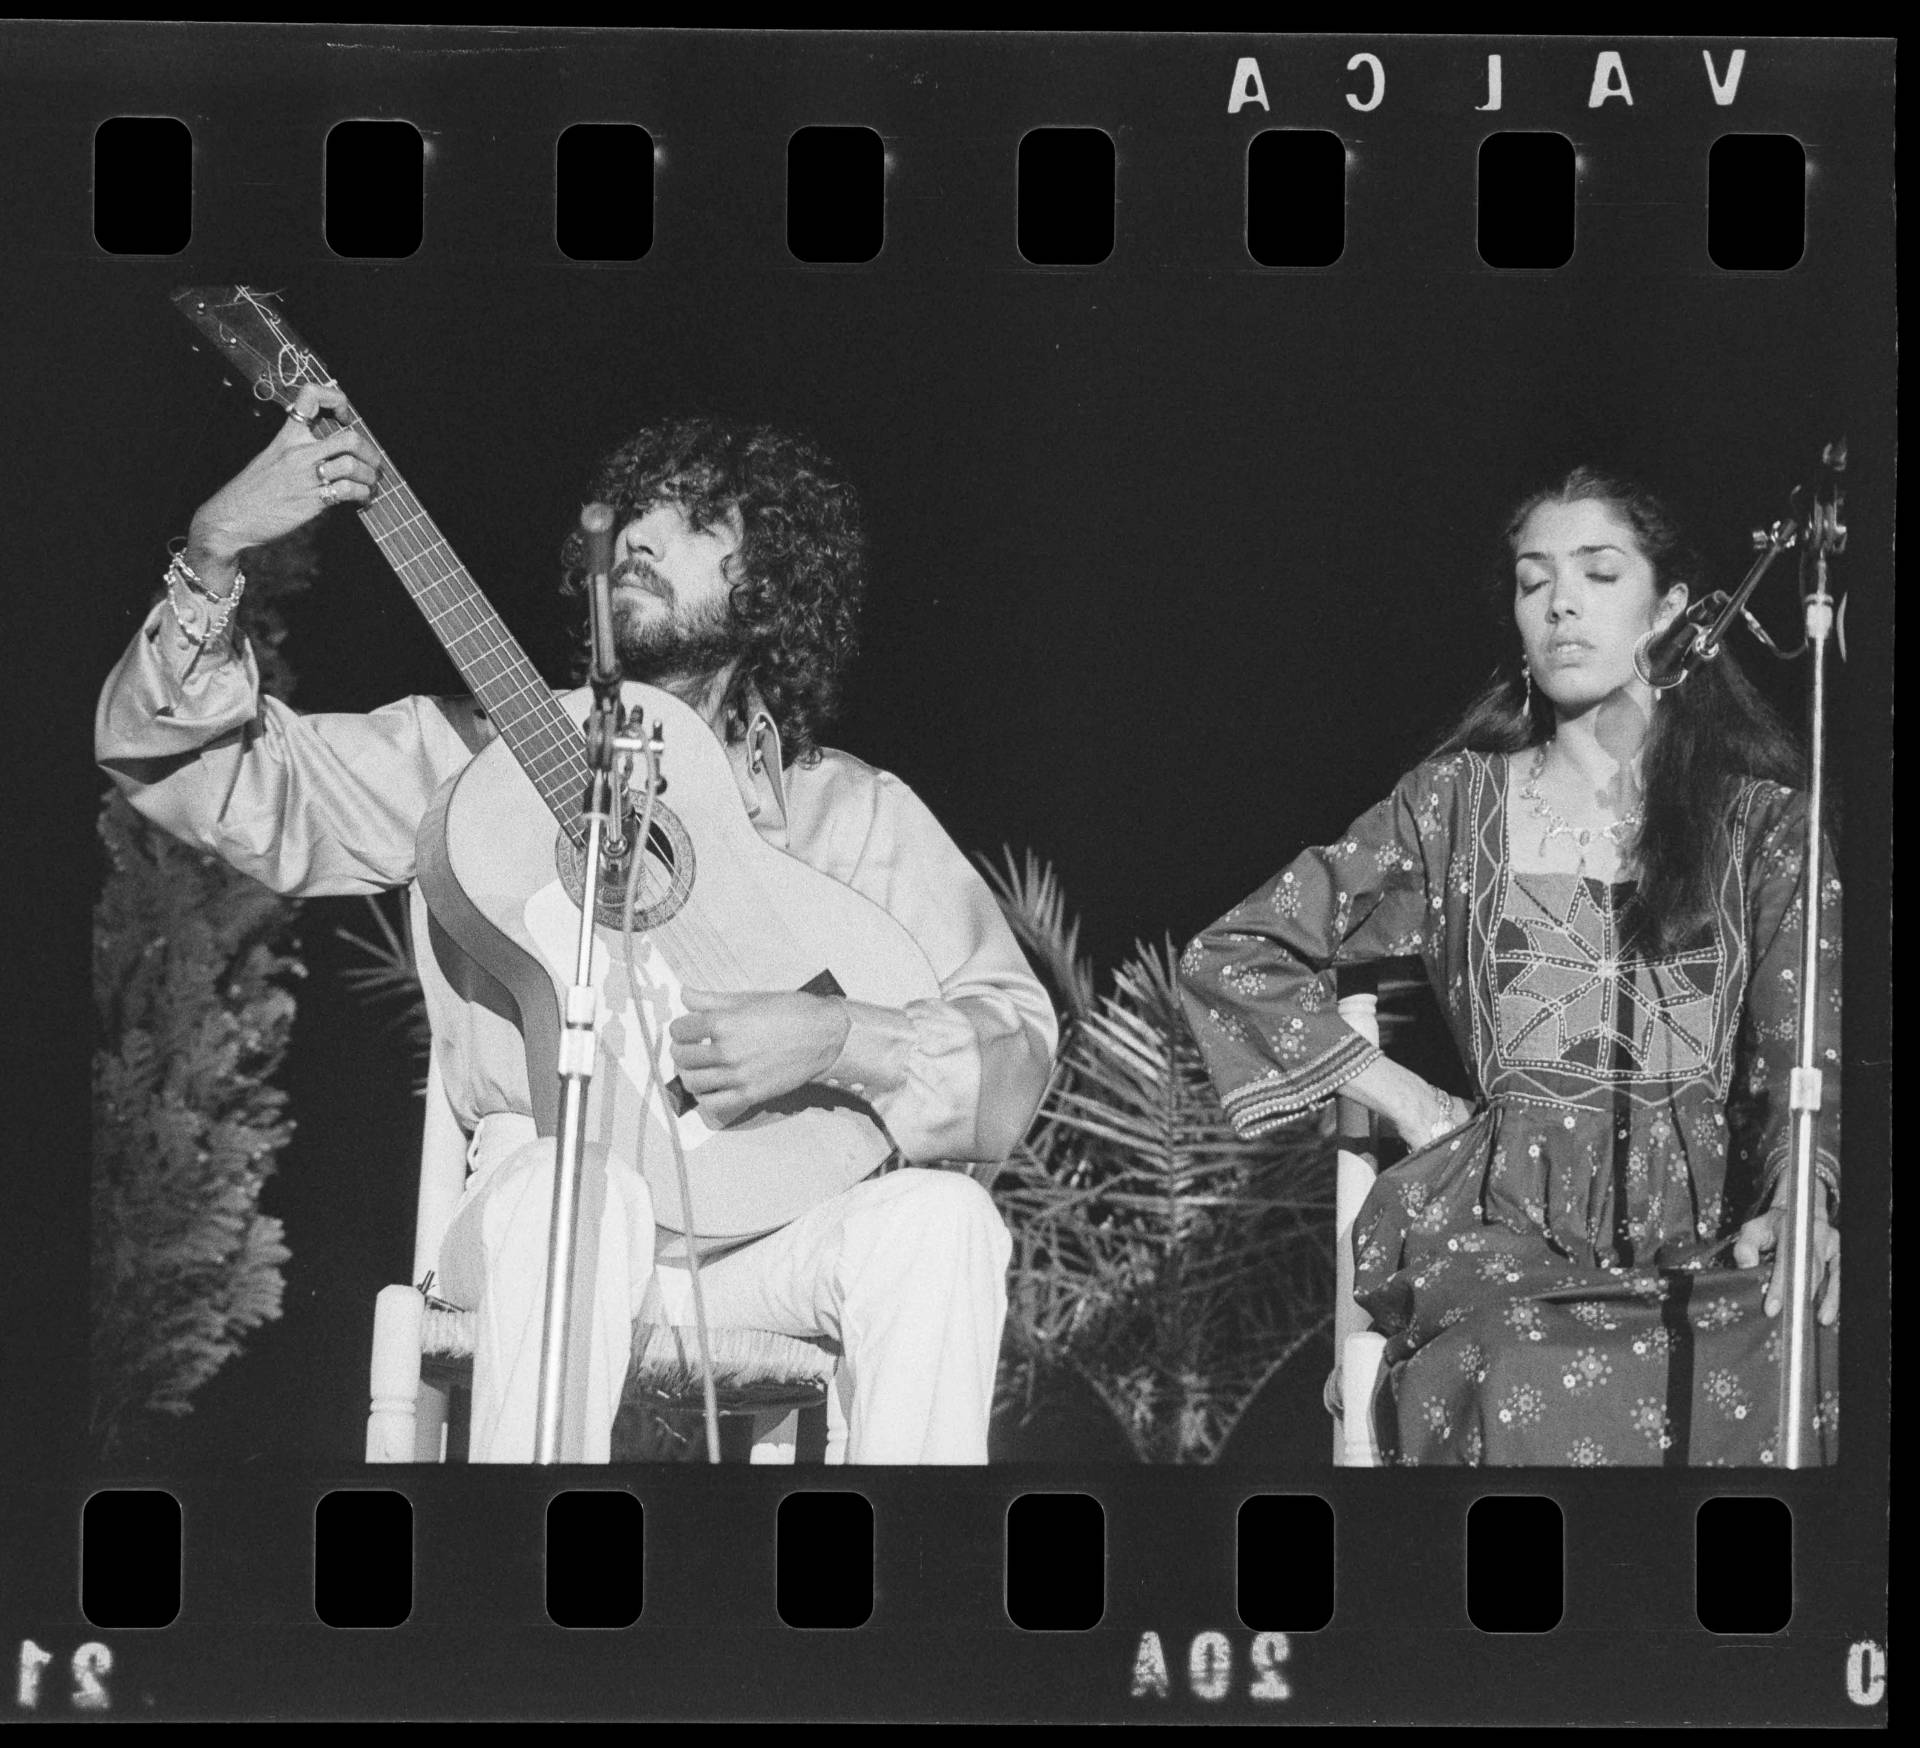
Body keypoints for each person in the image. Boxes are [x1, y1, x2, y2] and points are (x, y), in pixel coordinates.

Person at [97, 384, 1057, 1463]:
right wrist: (214, 554)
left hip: (769, 1237)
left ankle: (908, 1606)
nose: (643, 529)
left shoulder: (850, 814)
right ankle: (521, 1594)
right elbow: (195, 778)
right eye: (631, 509)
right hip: (538, 1203)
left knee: (944, 1224)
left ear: (775, 579)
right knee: (576, 1197)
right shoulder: (476, 764)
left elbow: (1011, 1044)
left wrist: (836, 1036)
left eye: (698, 519)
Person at [1179, 467, 1840, 1466]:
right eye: (1536, 582)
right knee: (1512, 1366)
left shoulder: (1767, 826)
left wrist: (1800, 1198)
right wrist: (1410, 1101)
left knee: (1791, 1345)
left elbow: (1804, 1061)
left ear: (1671, 611)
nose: (1563, 601)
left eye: (1599, 572)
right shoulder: (1454, 806)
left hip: (1706, 1236)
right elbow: (1235, 954)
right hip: (1505, 1239)